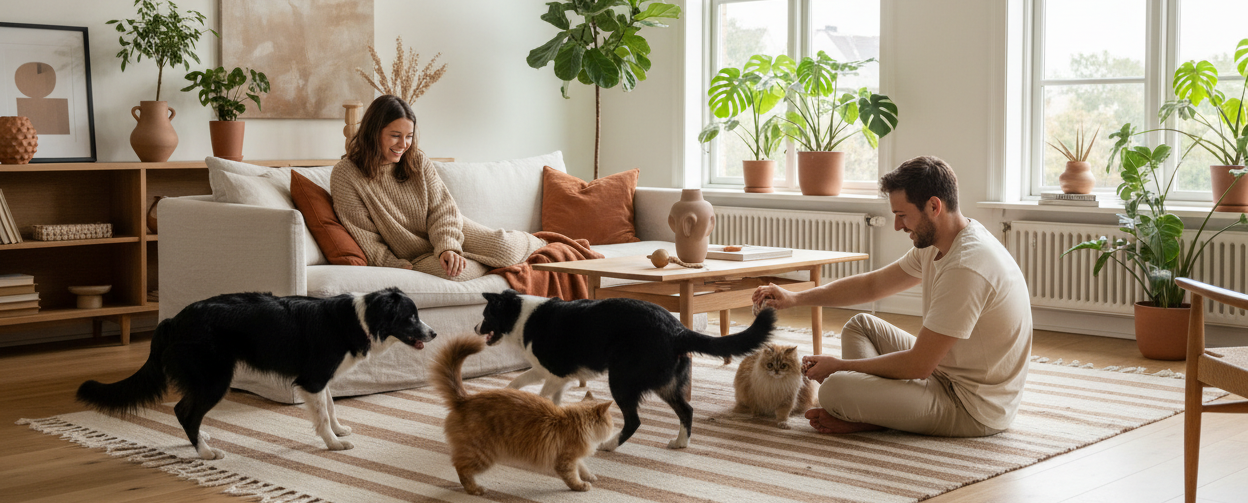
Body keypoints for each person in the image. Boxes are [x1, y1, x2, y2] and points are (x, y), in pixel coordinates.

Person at [753, 156, 1032, 437]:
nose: (898, 226)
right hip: (944, 372)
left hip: (971, 406)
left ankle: (871, 413)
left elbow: (918, 365)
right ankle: (876, 408)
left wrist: (841, 366)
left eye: (902, 215)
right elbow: (873, 285)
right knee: (861, 325)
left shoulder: (966, 266)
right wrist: (795, 297)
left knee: (835, 389)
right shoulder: (940, 241)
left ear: (934, 206)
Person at [332, 95, 545, 281]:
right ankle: (490, 263)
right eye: (395, 135)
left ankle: (542, 242)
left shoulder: (417, 160)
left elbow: (442, 209)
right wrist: (392, 264)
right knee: (456, 273)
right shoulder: (346, 174)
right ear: (373, 132)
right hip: (416, 254)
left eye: (409, 136)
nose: (403, 144)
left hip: (447, 231)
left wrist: (448, 247)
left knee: (504, 248)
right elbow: (363, 233)